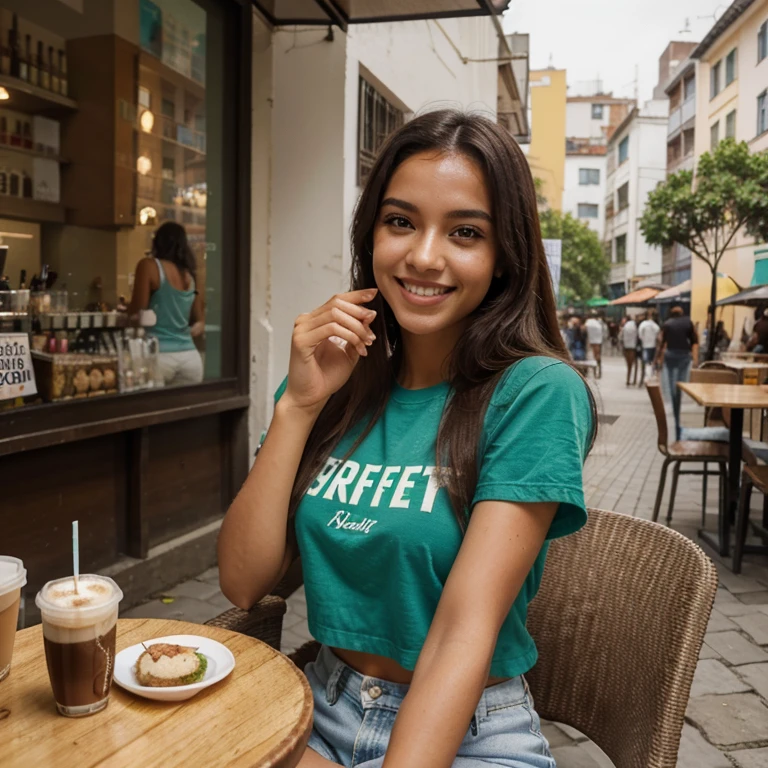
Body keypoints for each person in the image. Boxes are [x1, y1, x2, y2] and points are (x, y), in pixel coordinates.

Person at [217, 110, 595, 768]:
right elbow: (244, 584)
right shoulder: (335, 381)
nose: (423, 256)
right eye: (401, 222)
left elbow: (461, 631)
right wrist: (297, 409)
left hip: (471, 732)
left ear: (504, 255)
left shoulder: (534, 393)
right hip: (320, 705)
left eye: (465, 232)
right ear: (372, 234)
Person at [127, 222, 205, 387]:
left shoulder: (148, 266)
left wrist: (125, 310)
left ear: (157, 242)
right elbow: (199, 321)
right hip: (190, 358)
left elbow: (138, 314)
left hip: (159, 357)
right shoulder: (190, 275)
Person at [655, 305, 699, 442]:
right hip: (685, 357)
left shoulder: (667, 324)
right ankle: (677, 411)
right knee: (681, 384)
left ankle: (676, 411)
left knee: (673, 385)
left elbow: (662, 344)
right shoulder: (688, 323)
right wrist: (696, 360)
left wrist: (658, 361)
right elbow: (695, 342)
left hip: (670, 357)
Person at [637, 312, 661, 386]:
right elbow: (658, 335)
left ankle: (646, 378)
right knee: (652, 362)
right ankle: (651, 377)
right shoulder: (656, 325)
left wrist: (643, 340)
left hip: (645, 345)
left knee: (646, 362)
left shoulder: (643, 324)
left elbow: (640, 335)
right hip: (653, 346)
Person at [584, 311, 604, 377]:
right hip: (598, 341)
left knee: (592, 357)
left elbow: (583, 329)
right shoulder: (598, 322)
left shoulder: (588, 322)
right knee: (597, 357)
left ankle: (595, 372)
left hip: (592, 341)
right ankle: (599, 371)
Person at [621, 314, 638, 386]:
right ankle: (634, 380)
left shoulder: (625, 326)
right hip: (633, 347)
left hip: (626, 347)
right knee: (634, 364)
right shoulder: (634, 325)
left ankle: (628, 379)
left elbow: (622, 337)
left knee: (629, 365)